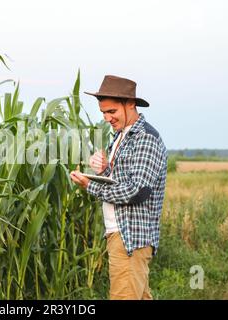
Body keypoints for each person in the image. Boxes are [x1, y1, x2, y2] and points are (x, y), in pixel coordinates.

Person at [70, 75, 168, 300]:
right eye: (103, 112)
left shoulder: (144, 138)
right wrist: (103, 171)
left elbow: (138, 190)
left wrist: (90, 186)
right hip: (120, 234)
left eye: (112, 111)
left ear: (131, 104)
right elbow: (122, 181)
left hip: (129, 238)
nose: (107, 118)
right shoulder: (121, 137)